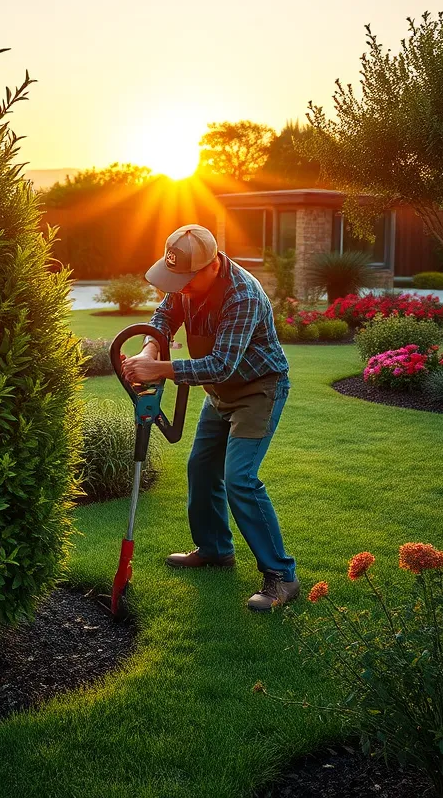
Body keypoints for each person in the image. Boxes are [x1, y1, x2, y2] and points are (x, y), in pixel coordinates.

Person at [121, 224, 299, 611]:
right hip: (220, 392)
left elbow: (220, 364)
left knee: (240, 478)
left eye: (185, 280)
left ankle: (282, 576)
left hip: (258, 390)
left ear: (212, 265)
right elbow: (163, 317)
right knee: (201, 468)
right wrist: (151, 348)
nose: (178, 287)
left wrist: (158, 370)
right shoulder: (183, 284)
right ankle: (216, 549)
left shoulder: (243, 296)